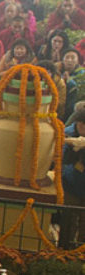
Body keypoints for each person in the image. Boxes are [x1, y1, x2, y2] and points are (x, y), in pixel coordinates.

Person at [59, 107, 85, 249]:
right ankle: (65, 250)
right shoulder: (67, 135)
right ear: (79, 124)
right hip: (70, 185)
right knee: (68, 222)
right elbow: (61, 161)